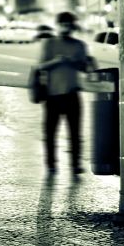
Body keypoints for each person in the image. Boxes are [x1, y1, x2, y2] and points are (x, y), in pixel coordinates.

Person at [37, 11, 88, 176]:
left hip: (72, 94)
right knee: (50, 132)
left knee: (75, 132)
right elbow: (41, 66)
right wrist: (56, 61)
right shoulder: (49, 43)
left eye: (68, 25)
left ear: (72, 26)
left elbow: (85, 67)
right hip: (52, 95)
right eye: (63, 25)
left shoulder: (79, 45)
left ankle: (75, 164)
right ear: (58, 25)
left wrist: (74, 62)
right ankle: (51, 164)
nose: (66, 28)